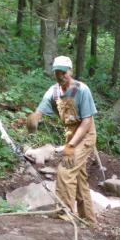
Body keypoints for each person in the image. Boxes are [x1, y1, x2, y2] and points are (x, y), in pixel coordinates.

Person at [26, 55, 98, 225]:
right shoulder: (54, 92)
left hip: (85, 134)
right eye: (57, 72)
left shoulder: (82, 90)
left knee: (66, 169)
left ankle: (64, 217)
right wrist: (33, 119)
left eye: (63, 72)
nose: (60, 76)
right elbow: (40, 110)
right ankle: (89, 221)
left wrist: (71, 145)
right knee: (79, 180)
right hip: (70, 134)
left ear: (71, 71)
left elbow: (87, 121)